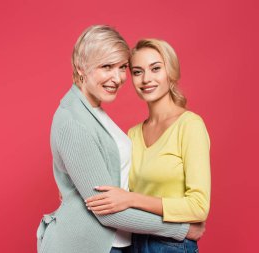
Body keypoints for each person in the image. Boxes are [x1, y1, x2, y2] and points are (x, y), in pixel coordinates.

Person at [85, 38, 211, 253]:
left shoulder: (190, 125)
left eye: (155, 69)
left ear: (170, 71)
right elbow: (117, 190)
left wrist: (131, 199)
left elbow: (199, 206)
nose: (146, 79)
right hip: (132, 241)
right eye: (137, 72)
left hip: (171, 246)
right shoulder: (132, 135)